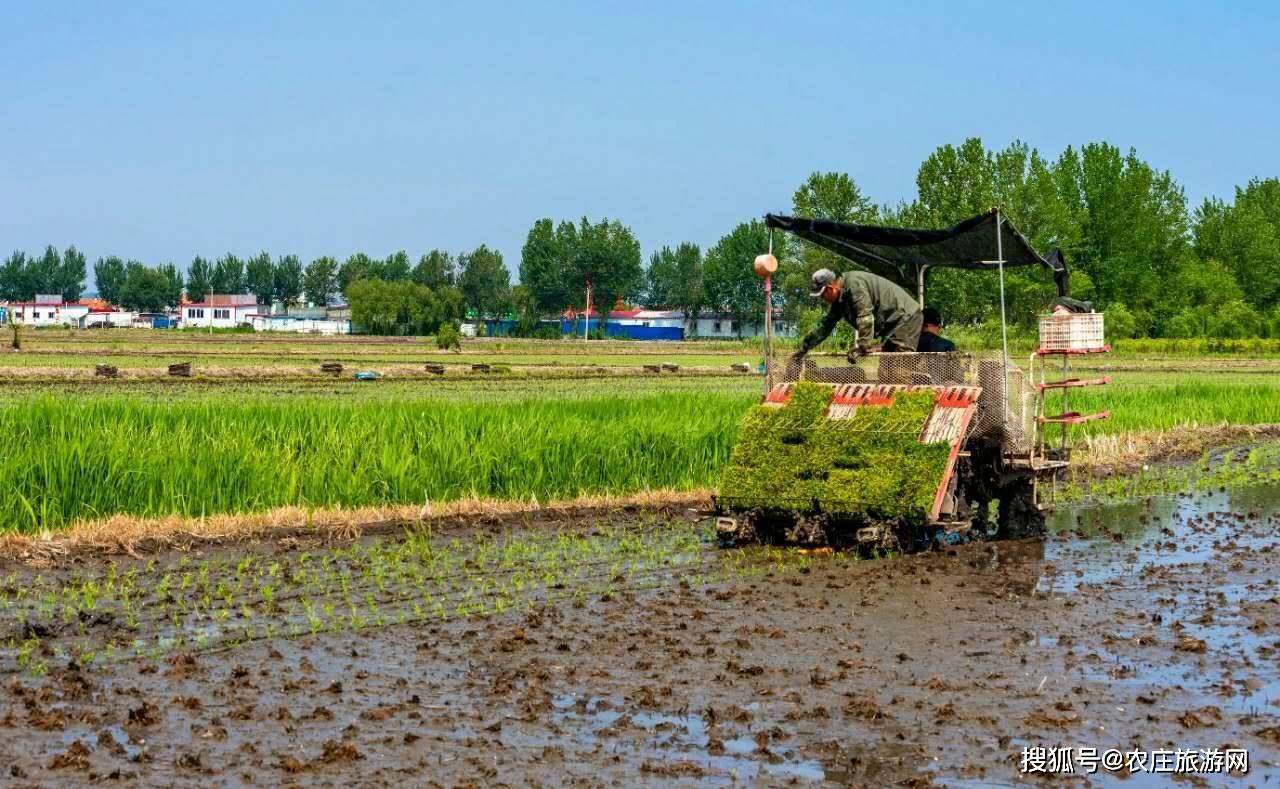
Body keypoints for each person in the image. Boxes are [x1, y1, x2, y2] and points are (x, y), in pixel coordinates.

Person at [791, 268, 922, 363]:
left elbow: (864, 316)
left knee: (900, 365)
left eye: (822, 295)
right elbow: (825, 326)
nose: (822, 299)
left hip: (905, 317)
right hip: (890, 324)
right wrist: (804, 347)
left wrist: (863, 346)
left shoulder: (854, 285)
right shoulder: (839, 300)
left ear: (831, 288)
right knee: (886, 370)